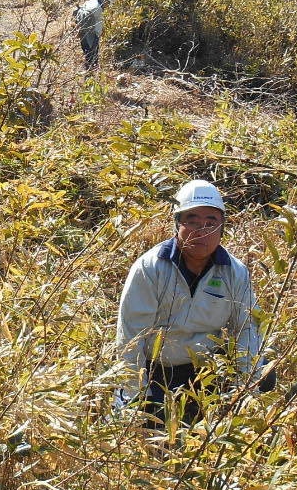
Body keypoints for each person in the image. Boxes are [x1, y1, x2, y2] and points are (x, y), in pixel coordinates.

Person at [115, 179, 272, 425]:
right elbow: (130, 338)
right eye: (192, 221)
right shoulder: (150, 268)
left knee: (266, 376)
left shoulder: (235, 272)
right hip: (156, 371)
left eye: (211, 222)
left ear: (222, 228)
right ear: (177, 224)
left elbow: (248, 331)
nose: (202, 231)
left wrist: (245, 392)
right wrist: (138, 396)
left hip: (205, 371)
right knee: (141, 430)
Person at [72, 0, 116, 70]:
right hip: (91, 35)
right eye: (108, 3)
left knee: (87, 54)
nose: (108, 5)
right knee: (92, 57)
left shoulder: (91, 2)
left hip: (83, 32)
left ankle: (89, 72)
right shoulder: (97, 8)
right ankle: (90, 74)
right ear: (106, 0)